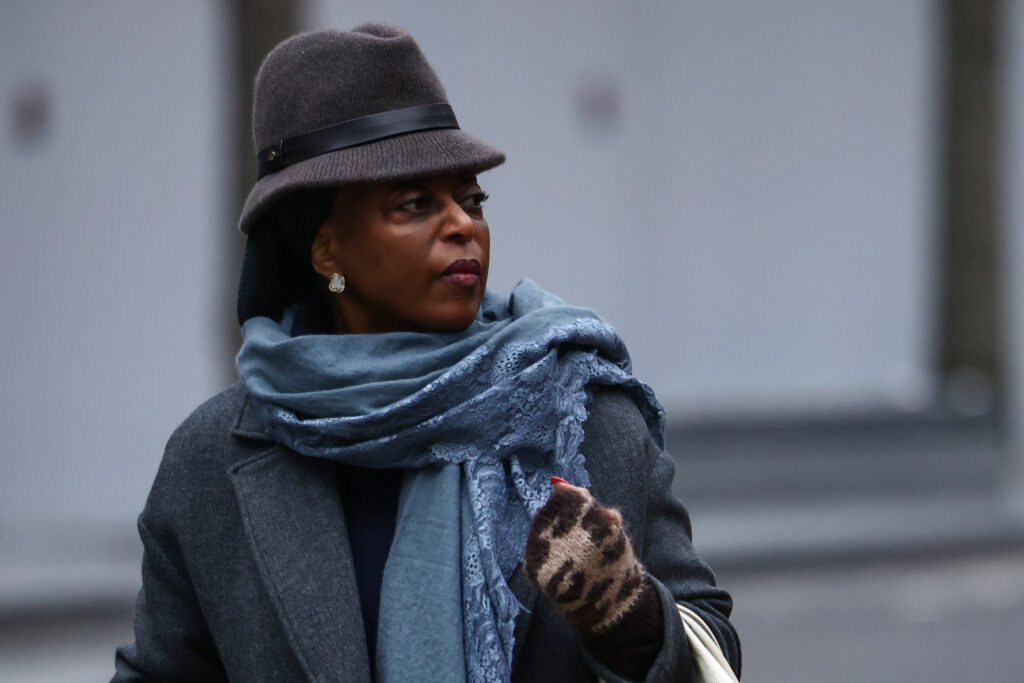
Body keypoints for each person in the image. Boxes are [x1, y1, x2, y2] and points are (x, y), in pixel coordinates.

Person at [113, 23, 741, 683]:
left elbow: (714, 648)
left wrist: (630, 619)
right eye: (415, 203)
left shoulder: (581, 414)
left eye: (472, 200)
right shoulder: (211, 460)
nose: (463, 224)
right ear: (326, 250)